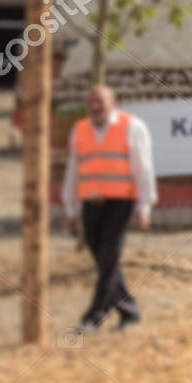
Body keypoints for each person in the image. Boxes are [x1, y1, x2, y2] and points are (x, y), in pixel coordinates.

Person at [62, 82, 156, 332]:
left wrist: (144, 206)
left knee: (109, 255)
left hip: (120, 202)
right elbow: (73, 171)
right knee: (105, 260)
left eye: (100, 100)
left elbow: (143, 169)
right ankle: (129, 310)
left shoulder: (131, 127)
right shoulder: (80, 130)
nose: (94, 105)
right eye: (90, 100)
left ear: (112, 102)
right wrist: (71, 211)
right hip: (91, 203)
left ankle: (94, 317)